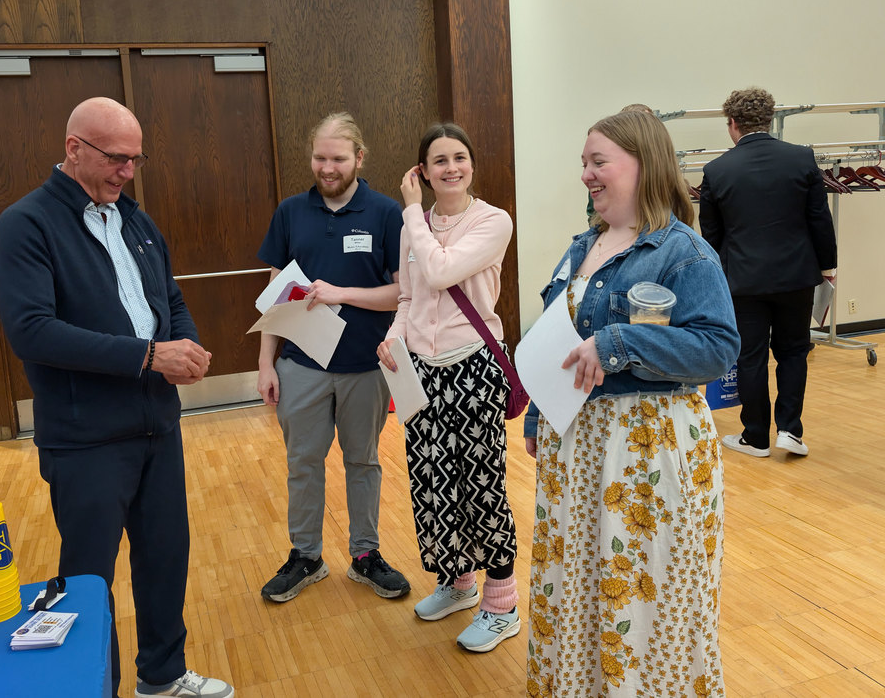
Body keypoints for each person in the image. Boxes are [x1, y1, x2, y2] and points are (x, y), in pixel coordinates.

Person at [0, 98, 233, 698]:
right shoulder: (28, 224)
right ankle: (96, 687)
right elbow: (32, 331)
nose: (128, 172)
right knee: (90, 580)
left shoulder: (136, 221)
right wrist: (149, 356)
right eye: (116, 159)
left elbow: (168, 300)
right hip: (86, 440)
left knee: (165, 560)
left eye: (135, 160)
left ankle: (163, 677)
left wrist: (187, 345)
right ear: (74, 149)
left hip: (157, 428)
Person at [523, 111, 740, 696]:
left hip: (648, 451)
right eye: (584, 165)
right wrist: (540, 412)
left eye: (600, 163)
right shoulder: (580, 247)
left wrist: (620, 342)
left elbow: (718, 349)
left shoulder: (682, 251)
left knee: (646, 594)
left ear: (643, 164)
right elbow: (557, 337)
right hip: (579, 450)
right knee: (582, 589)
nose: (587, 176)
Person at [377, 122, 519, 653]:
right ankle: (458, 582)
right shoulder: (414, 225)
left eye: (459, 157)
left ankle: (501, 605)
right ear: (424, 170)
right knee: (433, 484)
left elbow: (439, 274)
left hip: (473, 365)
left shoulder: (492, 222)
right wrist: (392, 340)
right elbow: (409, 297)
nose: (451, 168)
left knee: (480, 483)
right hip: (421, 371)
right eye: (439, 160)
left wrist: (411, 210)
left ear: (472, 164)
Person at [256, 111, 410, 604]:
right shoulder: (289, 213)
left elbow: (401, 294)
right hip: (300, 367)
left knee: (363, 462)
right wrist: (265, 363)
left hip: (366, 367)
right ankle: (306, 556)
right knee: (303, 463)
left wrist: (342, 293)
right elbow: (276, 292)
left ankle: (365, 555)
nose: (327, 167)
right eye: (320, 157)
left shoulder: (386, 214)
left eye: (338, 158)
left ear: (359, 158)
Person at [700, 87, 837, 459]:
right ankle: (790, 431)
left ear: (732, 123)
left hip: (742, 280)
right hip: (797, 275)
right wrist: (828, 266)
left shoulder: (716, 170)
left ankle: (755, 436)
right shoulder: (802, 159)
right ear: (770, 120)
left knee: (751, 356)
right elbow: (818, 220)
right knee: (794, 352)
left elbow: (711, 235)